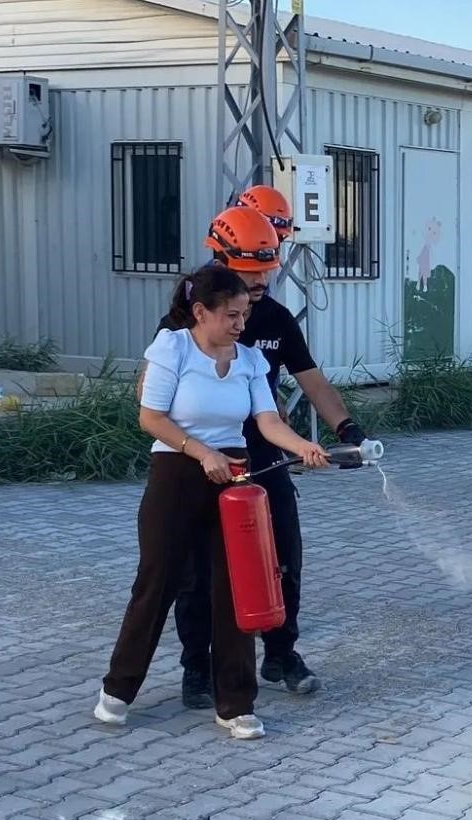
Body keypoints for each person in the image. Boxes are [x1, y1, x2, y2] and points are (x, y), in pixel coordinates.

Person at [95, 265, 330, 740]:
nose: (241, 325)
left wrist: (301, 444)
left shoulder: (249, 361)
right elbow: (151, 417)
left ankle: (236, 703)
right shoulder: (173, 347)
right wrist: (202, 452)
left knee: (236, 589)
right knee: (156, 583)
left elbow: (267, 422)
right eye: (231, 315)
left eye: (245, 315)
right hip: (177, 474)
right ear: (200, 312)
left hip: (234, 479)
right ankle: (117, 690)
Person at [163, 197, 372, 708]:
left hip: (266, 458)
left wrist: (347, 428)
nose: (260, 284)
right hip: (204, 465)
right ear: (220, 262)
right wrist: (191, 451)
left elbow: (312, 381)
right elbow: (154, 403)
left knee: (283, 558)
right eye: (249, 273)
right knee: (197, 573)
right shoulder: (181, 326)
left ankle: (280, 654)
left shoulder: (277, 318)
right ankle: (197, 670)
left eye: (266, 271)